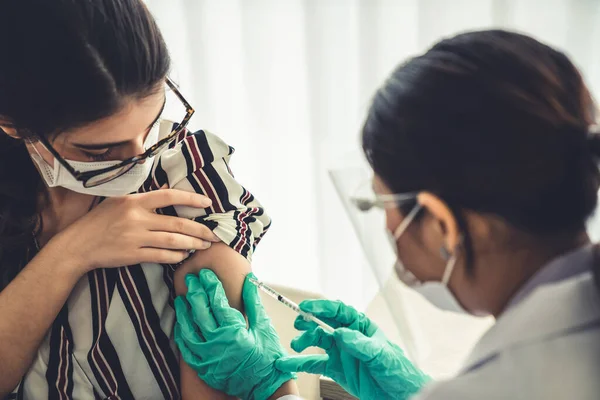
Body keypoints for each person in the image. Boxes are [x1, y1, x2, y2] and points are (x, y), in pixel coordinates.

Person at [174, 30, 600, 399]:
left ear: (442, 224)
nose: (388, 228)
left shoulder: (516, 380)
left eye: (381, 205)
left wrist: (269, 388)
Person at [0, 1, 299, 399]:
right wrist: (71, 253)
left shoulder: (188, 173)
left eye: (151, 125)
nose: (141, 159)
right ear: (16, 127)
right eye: (100, 151)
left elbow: (220, 377)